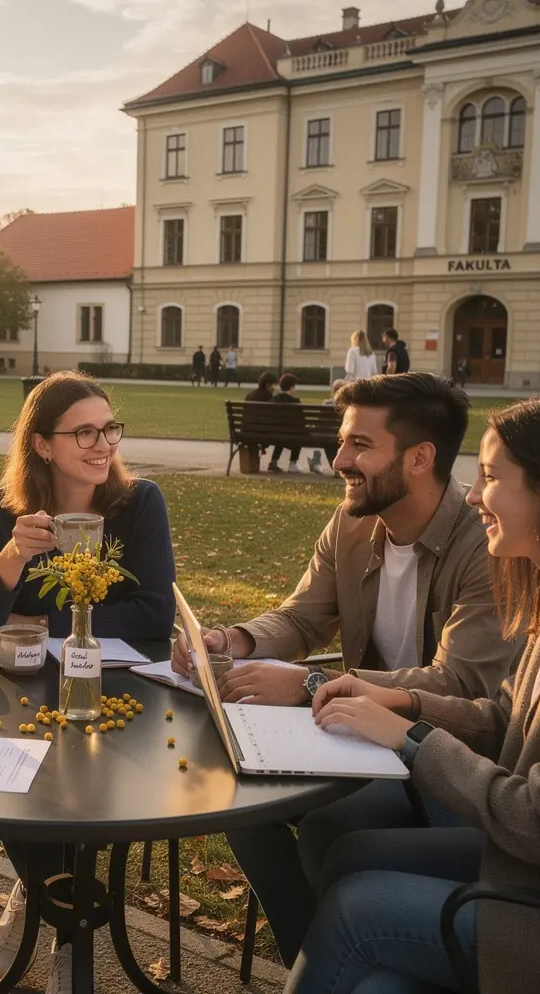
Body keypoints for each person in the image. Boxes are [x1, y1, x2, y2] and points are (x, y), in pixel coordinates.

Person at [171, 373, 521, 967]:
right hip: (353, 735)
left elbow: (460, 685)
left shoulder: (484, 547)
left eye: (360, 445)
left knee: (328, 827)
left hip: (438, 753)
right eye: (342, 443)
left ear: (419, 458)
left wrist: (313, 684)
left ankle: (339, 957)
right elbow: (302, 617)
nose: (339, 462)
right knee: (237, 799)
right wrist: (232, 639)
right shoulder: (354, 522)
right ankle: (311, 958)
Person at [287, 397, 540, 994]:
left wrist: (412, 739)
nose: (473, 496)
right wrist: (403, 703)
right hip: (522, 867)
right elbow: (504, 718)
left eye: (490, 477)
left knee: (355, 909)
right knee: (357, 900)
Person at [0, 370, 176, 994]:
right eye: (84, 433)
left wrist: (45, 620)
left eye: (108, 429)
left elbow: (155, 613)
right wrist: (11, 559)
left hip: (121, 691)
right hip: (19, 694)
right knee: (10, 765)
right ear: (42, 445)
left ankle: (45, 897)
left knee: (95, 776)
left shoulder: (138, 503)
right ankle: (57, 908)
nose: (102, 445)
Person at [266, 373, 304, 474]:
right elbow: (300, 421)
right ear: (291, 387)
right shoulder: (295, 401)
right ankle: (292, 463)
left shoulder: (273, 399)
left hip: (273, 433)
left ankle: (273, 461)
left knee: (281, 433)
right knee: (298, 434)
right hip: (290, 434)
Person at [306, 379, 346, 475]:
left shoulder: (326, 403)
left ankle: (335, 467)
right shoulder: (347, 406)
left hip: (326, 433)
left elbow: (320, 421)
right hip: (342, 435)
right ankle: (337, 468)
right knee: (332, 440)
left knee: (328, 441)